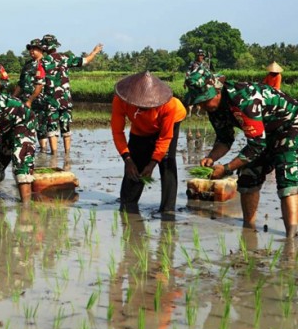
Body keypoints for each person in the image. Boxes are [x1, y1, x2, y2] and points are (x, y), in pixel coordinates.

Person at [185, 66, 298, 238]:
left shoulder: (243, 99)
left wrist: (227, 168)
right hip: (263, 134)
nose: (201, 105)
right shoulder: (214, 108)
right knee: (247, 175)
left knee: (286, 177)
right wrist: (211, 157)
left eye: (204, 100)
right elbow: (225, 139)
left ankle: (291, 236)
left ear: (216, 91)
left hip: (289, 126)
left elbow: (256, 145)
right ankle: (249, 229)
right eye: (198, 102)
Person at [111, 71, 187, 213]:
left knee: (166, 162)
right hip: (140, 127)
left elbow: (165, 138)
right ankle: (128, 204)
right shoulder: (120, 100)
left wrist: (153, 163)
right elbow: (117, 132)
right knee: (135, 163)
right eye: (140, 105)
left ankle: (167, 209)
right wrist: (127, 159)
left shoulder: (169, 105)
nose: (144, 108)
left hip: (172, 120)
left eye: (147, 106)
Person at [41, 34, 103, 154]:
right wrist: (94, 52)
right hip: (65, 100)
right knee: (66, 128)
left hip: (50, 100)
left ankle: (54, 155)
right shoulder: (65, 58)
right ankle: (67, 155)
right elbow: (85, 61)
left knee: (51, 129)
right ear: (55, 46)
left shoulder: (42, 62)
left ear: (44, 48)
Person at [13, 39, 48, 152]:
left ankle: (43, 151)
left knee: (41, 129)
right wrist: (13, 97)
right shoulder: (27, 65)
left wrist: (31, 100)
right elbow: (21, 83)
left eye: (34, 48)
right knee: (26, 127)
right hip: (25, 102)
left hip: (40, 101)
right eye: (30, 49)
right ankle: (28, 150)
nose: (31, 51)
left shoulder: (46, 63)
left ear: (41, 50)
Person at [184, 49, 209, 117]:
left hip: (201, 83)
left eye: (201, 55)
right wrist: (185, 81)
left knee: (201, 97)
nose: (199, 57)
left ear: (203, 56)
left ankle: (198, 112)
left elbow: (207, 73)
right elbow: (188, 72)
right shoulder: (193, 63)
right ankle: (189, 113)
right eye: (198, 55)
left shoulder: (205, 64)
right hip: (192, 82)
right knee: (191, 96)